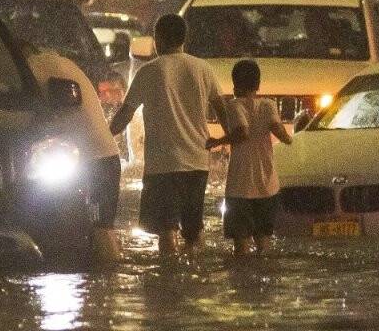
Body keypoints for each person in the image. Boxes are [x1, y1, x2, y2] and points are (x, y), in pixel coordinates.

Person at [111, 14, 234, 256]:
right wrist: (230, 138)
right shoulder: (203, 69)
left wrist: (104, 138)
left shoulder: (149, 71)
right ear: (184, 39)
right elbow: (222, 109)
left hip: (163, 166)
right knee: (193, 232)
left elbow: (125, 115)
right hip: (198, 163)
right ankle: (192, 280)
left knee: (166, 231)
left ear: (159, 39)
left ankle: (170, 281)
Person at [26, 49, 124, 263]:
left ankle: (107, 279)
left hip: (91, 161)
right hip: (104, 157)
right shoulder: (61, 63)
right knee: (102, 228)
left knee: (99, 229)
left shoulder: (32, 68)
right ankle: (106, 284)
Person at [207, 60, 292, 256]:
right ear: (258, 85)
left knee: (241, 245)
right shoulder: (269, 105)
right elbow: (283, 136)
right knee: (264, 242)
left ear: (235, 86)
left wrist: (217, 141)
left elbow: (242, 133)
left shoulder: (235, 105)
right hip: (267, 185)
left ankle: (243, 282)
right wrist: (293, 135)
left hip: (241, 187)